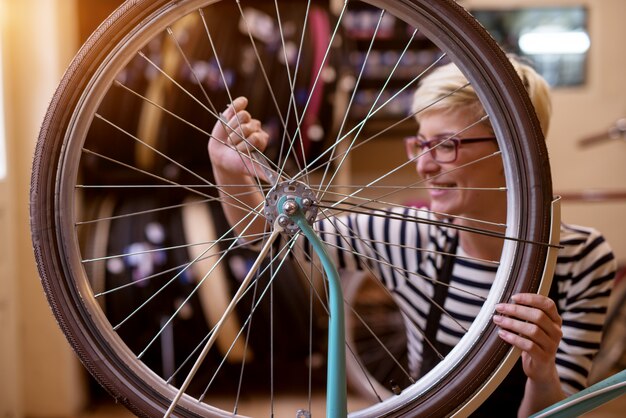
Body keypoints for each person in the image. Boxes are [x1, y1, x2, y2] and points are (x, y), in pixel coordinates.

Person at [207, 57, 616, 417]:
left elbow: (556, 410)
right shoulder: (410, 237)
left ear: (516, 148)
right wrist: (227, 169)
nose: (423, 165)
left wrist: (542, 375)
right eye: (420, 144)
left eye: (445, 146)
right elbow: (268, 239)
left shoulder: (581, 258)